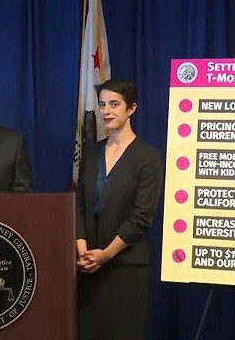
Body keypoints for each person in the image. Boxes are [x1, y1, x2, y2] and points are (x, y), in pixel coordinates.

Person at [76, 80, 163, 340]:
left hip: (126, 268)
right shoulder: (91, 153)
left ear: (131, 109)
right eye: (102, 104)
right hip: (87, 267)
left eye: (114, 104)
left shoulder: (148, 157)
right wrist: (83, 249)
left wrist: (106, 255)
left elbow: (141, 217)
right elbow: (78, 205)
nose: (106, 111)